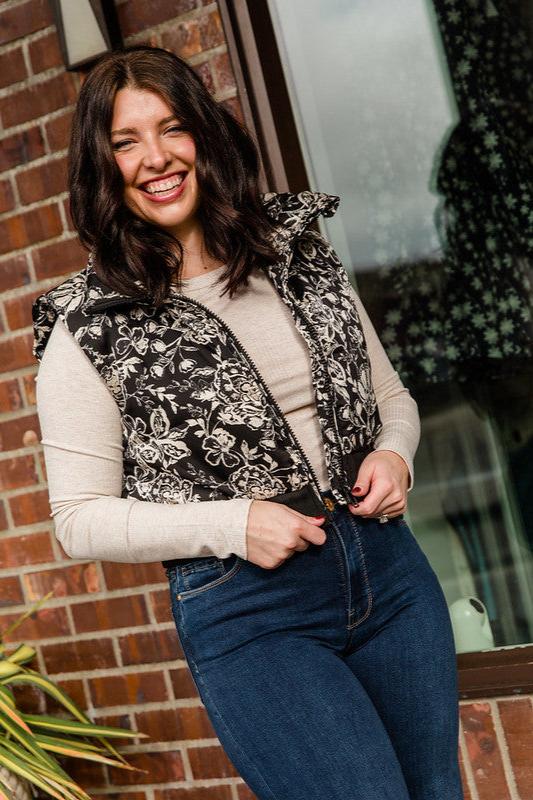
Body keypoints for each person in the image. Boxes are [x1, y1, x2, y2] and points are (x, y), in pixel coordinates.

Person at [32, 46, 464, 800]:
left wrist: (394, 455)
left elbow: (388, 396)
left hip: (389, 573)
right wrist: (238, 524)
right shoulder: (88, 324)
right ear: (101, 167)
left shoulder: (295, 252)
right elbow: (79, 519)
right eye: (126, 142)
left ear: (204, 133)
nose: (157, 159)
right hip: (252, 609)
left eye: (171, 129)